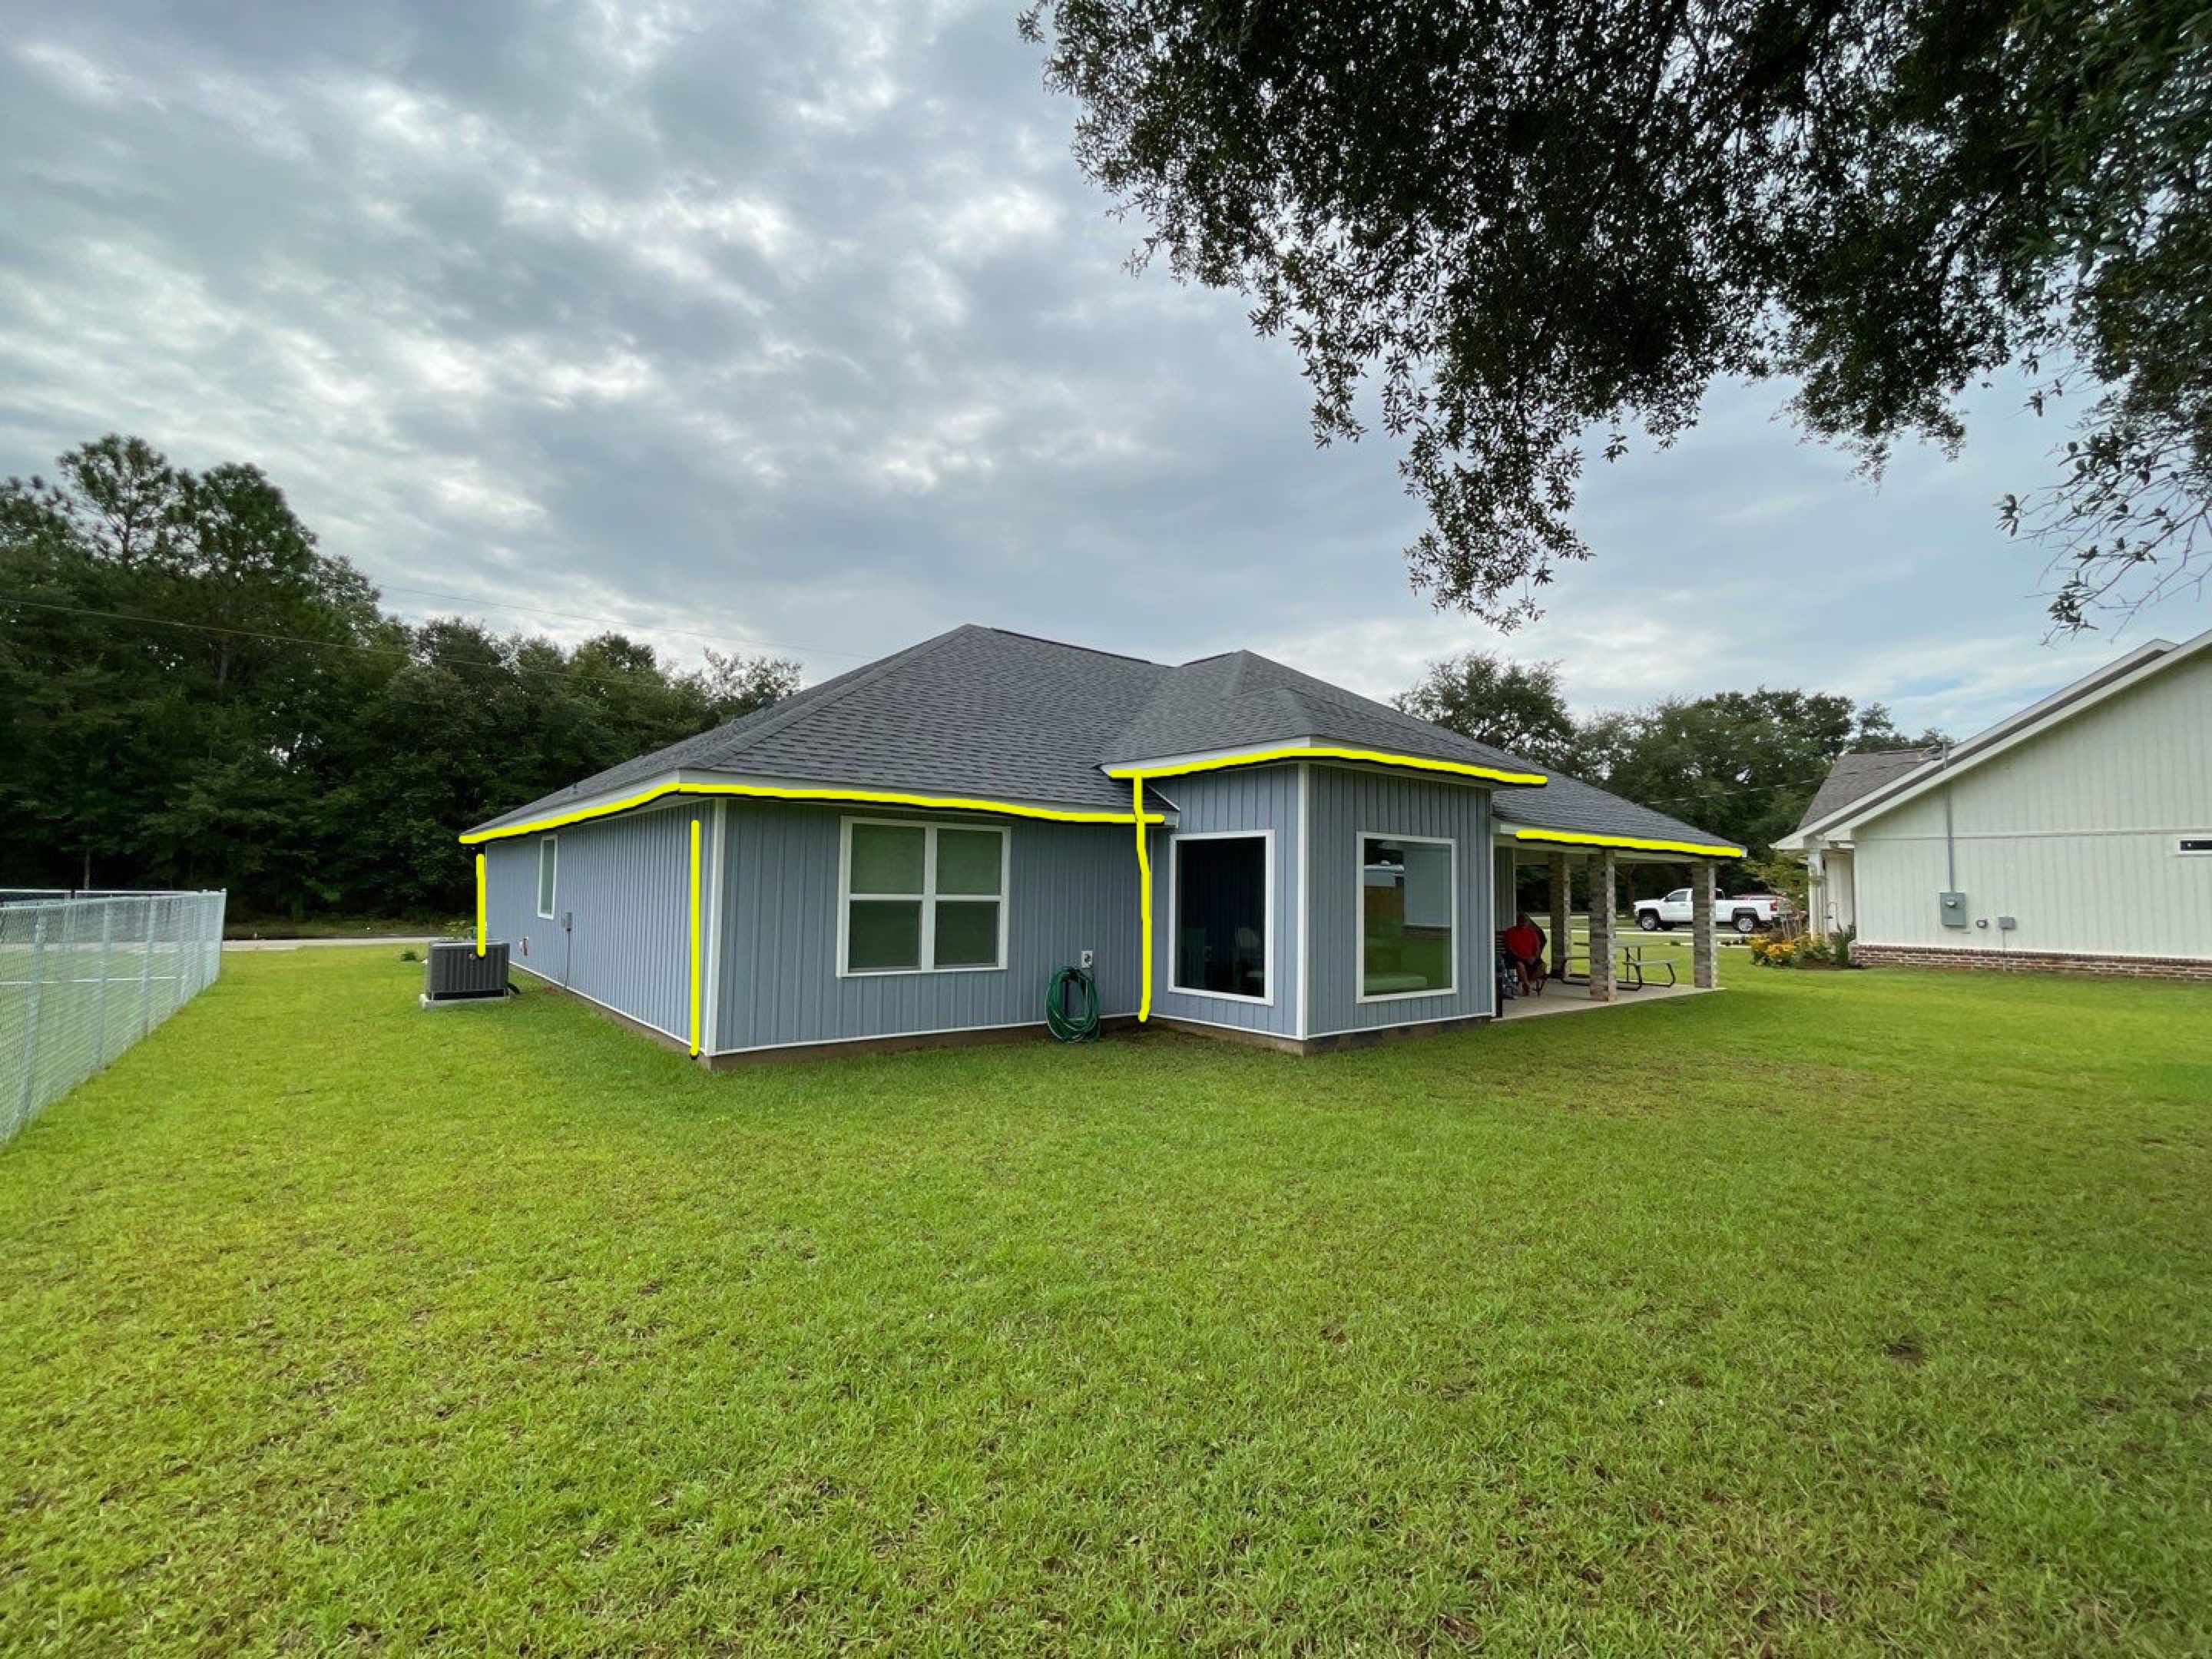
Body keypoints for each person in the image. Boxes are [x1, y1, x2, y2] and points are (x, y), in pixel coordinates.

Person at [1502, 912, 1546, 997]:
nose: (1523, 924)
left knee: (1543, 966)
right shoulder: (1510, 932)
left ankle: (1528, 983)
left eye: (1525, 922)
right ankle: (1526, 983)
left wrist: (1534, 957)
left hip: (1530, 957)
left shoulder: (1532, 932)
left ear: (1528, 923)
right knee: (1520, 964)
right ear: (1517, 921)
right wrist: (1523, 957)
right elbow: (1510, 949)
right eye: (1521, 921)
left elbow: (1537, 948)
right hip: (1516, 957)